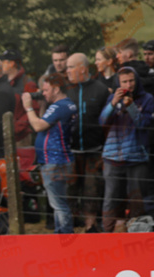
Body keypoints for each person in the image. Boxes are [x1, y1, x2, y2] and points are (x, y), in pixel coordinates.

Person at [99, 67, 153, 231]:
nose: (128, 85)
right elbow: (102, 121)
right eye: (124, 82)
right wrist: (113, 103)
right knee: (111, 199)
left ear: (136, 81)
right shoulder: (112, 98)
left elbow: (144, 124)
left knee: (137, 200)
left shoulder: (148, 99)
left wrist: (131, 107)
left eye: (131, 81)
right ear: (118, 83)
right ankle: (107, 236)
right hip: (112, 157)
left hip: (137, 158)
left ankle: (137, 237)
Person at [23, 73, 77, 234]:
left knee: (59, 204)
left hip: (54, 160)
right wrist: (41, 105)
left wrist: (28, 107)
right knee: (59, 202)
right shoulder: (67, 105)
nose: (43, 93)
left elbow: (38, 126)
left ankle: (65, 235)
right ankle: (60, 234)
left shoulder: (59, 106)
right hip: (61, 158)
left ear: (56, 89)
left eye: (46, 90)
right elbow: (47, 123)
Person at [66, 53, 110, 232]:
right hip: (72, 151)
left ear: (82, 69)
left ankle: (91, 226)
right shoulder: (67, 90)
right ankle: (68, 225)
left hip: (95, 150)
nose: (67, 71)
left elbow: (108, 120)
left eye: (70, 67)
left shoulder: (100, 89)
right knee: (70, 188)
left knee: (92, 190)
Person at [0, 49, 38, 143]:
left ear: (12, 63)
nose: (1, 65)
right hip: (5, 136)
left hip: (20, 137)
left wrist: (16, 128)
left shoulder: (28, 83)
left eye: (3, 62)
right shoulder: (3, 82)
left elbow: (34, 108)